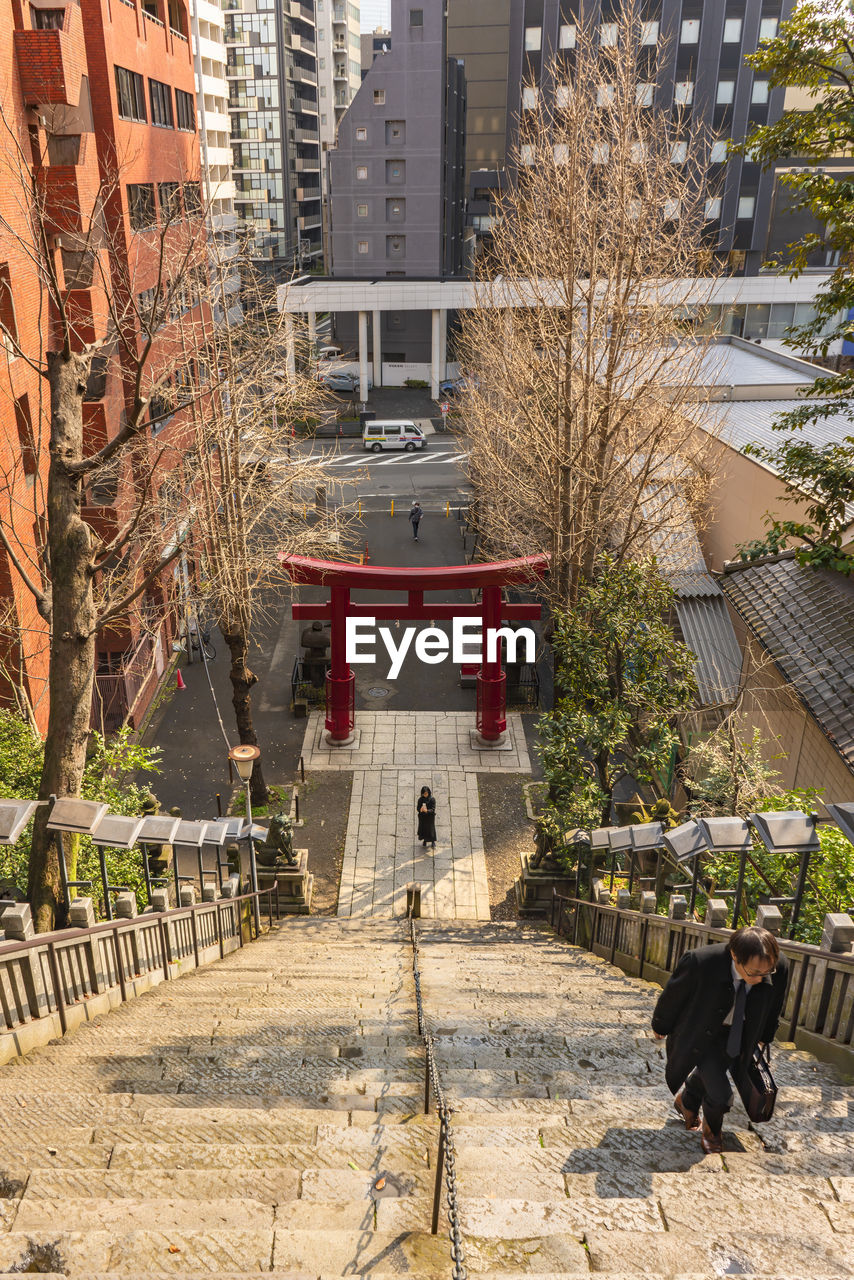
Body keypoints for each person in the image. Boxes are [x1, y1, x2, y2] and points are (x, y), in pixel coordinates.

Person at [651, 925, 788, 1154]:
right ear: (735, 955)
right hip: (703, 1034)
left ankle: (687, 1101)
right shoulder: (700, 962)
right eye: (752, 972)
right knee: (721, 1094)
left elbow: (775, 1004)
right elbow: (673, 996)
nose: (757, 979)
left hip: (741, 1033)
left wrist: (765, 1036)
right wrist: (660, 1025)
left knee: (712, 1075)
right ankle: (712, 1131)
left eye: (765, 974)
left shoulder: (778, 966)